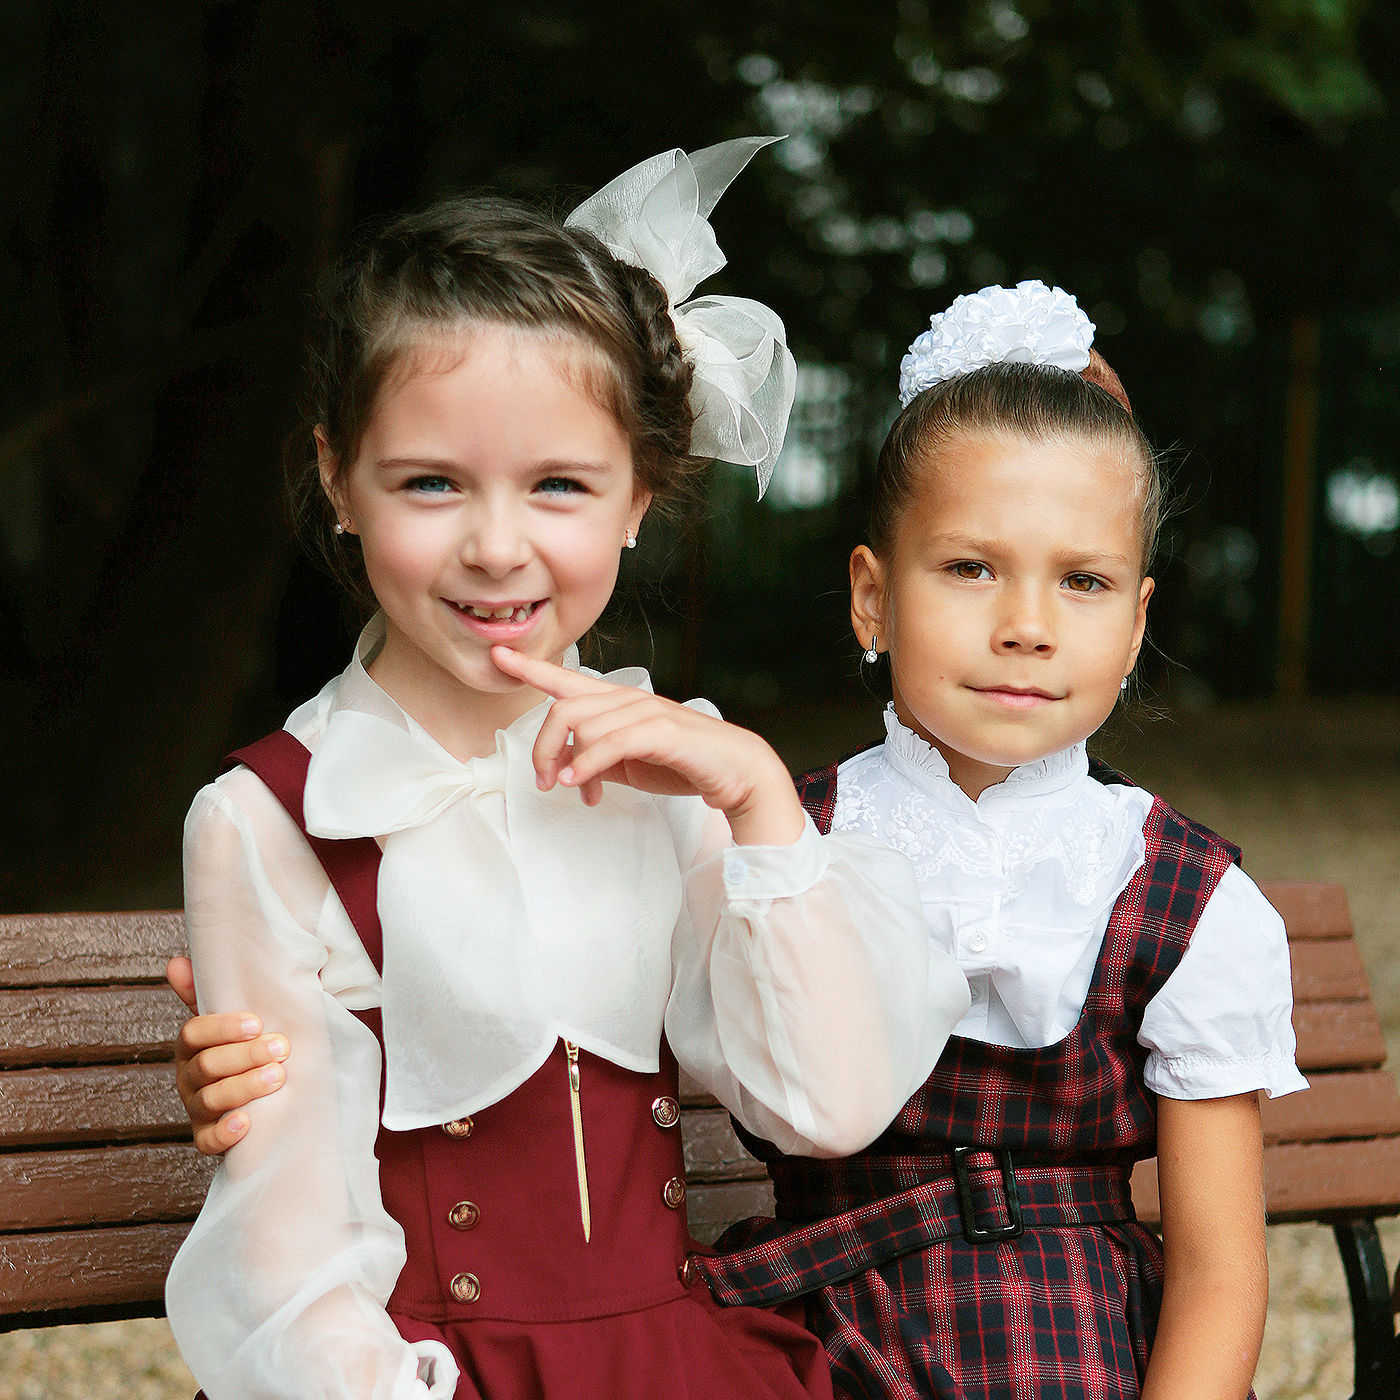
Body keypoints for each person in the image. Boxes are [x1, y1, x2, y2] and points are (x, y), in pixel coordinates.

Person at [163, 138, 971, 1400]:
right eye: (429, 482)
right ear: (336, 477)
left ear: (640, 492)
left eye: (559, 484)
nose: (497, 546)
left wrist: (757, 801)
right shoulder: (269, 816)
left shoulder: (678, 772)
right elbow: (289, 1253)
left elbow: (825, 1102)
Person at [691, 281, 1307, 1400]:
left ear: (1133, 627)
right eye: (970, 567)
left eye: (1082, 581)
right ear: (871, 598)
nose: (1024, 622)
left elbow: (1219, 1268)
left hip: (1074, 1359)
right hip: (813, 1350)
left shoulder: (1179, 895)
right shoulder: (783, 839)